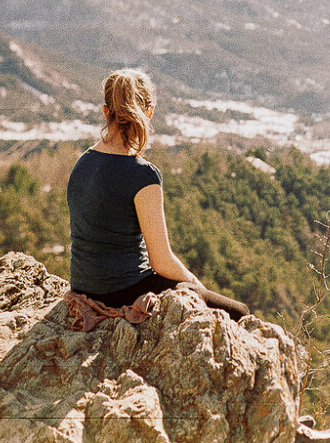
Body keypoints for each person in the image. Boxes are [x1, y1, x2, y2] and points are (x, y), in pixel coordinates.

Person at [67, 68, 249, 321]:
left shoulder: (82, 163)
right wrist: (197, 286)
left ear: (105, 111)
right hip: (122, 292)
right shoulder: (142, 175)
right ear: (149, 111)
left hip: (82, 287)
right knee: (239, 312)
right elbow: (161, 262)